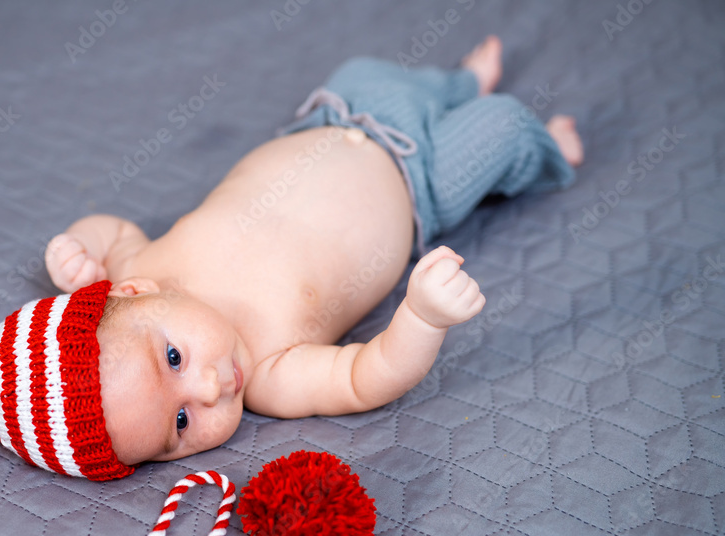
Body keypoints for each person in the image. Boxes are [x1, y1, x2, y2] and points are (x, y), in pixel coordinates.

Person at [45, 36, 583, 468]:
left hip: (332, 119)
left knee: (371, 71)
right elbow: (365, 376)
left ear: (132, 293)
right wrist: (422, 316)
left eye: (173, 359)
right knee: (503, 126)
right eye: (181, 425)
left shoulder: (142, 267)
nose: (209, 388)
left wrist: (77, 249)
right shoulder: (272, 376)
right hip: (420, 184)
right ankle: (548, 151)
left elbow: (110, 231)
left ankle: (461, 81)